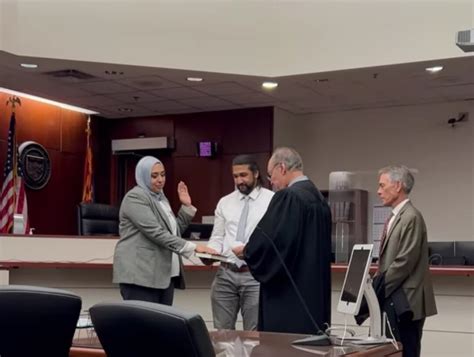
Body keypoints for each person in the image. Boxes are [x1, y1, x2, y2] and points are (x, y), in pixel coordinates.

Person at [233, 147, 332, 334]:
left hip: (290, 297)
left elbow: (270, 243)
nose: (271, 183)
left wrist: (247, 252)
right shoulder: (319, 198)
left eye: (271, 175)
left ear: (282, 168)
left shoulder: (289, 197)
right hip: (314, 295)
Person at [113, 155, 216, 305]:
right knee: (143, 327)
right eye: (154, 176)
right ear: (142, 176)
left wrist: (186, 207)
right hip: (141, 277)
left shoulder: (160, 198)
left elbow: (173, 232)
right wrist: (194, 248)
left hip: (164, 277)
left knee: (162, 327)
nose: (160, 180)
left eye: (163, 174)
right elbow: (156, 233)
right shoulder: (135, 197)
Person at [201, 155, 274, 331]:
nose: (239, 180)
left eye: (243, 175)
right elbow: (218, 236)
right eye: (235, 176)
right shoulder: (225, 202)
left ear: (256, 174)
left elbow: (274, 239)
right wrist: (209, 252)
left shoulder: (272, 200)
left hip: (255, 275)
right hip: (225, 273)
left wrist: (251, 251)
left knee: (255, 335)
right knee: (223, 335)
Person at [376, 165, 437, 357]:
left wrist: (377, 287)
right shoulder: (396, 217)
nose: (378, 191)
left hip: (407, 303)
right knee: (391, 351)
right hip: (394, 299)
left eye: (382, 185)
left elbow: (404, 263)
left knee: (407, 351)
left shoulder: (411, 217)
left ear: (397, 186)